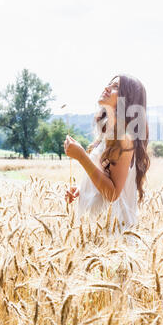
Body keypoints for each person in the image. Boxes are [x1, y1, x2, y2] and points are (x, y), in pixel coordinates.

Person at [64, 73, 150, 233]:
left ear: (127, 98)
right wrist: (84, 189)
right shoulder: (108, 134)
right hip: (97, 229)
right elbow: (106, 178)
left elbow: (112, 194)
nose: (107, 88)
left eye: (116, 87)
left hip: (113, 233)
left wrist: (81, 157)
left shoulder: (124, 137)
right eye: (109, 84)